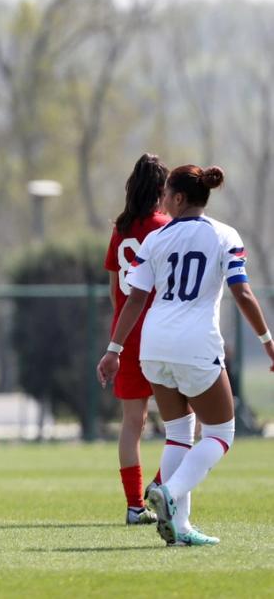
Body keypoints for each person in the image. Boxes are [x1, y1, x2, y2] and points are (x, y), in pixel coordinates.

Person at [98, 164, 274, 547]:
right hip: (195, 344)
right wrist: (267, 340)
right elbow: (242, 294)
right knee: (221, 433)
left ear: (179, 198)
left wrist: (114, 349)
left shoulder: (156, 240)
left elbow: (135, 299)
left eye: (165, 195)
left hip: (152, 345)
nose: (161, 200)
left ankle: (181, 528)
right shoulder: (224, 235)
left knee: (179, 434)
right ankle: (170, 490)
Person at [103, 154, 170, 525]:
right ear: (163, 190)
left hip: (125, 337)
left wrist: (117, 337)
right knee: (184, 420)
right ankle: (160, 485)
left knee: (132, 424)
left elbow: (115, 292)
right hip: (161, 333)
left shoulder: (120, 230)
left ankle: (133, 506)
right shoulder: (166, 227)